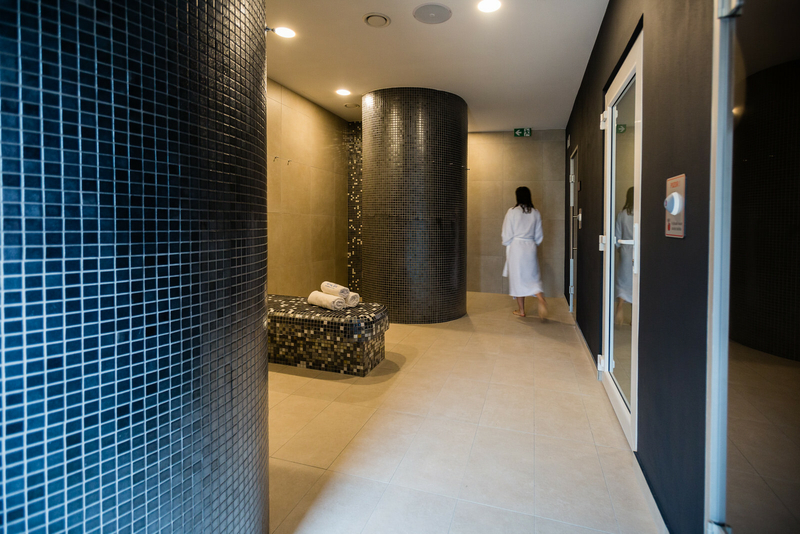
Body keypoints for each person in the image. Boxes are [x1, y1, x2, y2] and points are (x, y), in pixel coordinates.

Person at [502, 186, 547, 320]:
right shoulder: (535, 213)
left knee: (518, 279)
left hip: (517, 248)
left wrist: (507, 242)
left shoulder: (512, 212)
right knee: (532, 277)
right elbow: (539, 236)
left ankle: (521, 311)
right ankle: (540, 298)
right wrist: (533, 243)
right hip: (530, 247)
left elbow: (507, 234)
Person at [614, 187, 634, 324]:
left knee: (623, 281)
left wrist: (619, 249)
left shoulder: (621, 215)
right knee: (635, 282)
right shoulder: (641, 214)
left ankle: (620, 308)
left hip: (625, 251)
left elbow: (617, 237)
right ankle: (634, 315)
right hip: (637, 251)